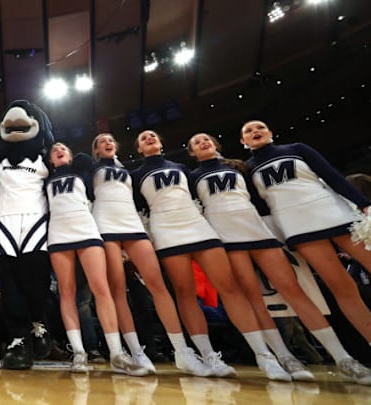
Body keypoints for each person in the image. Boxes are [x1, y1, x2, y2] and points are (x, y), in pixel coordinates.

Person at [130, 129, 290, 381]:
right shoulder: (136, 175)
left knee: (229, 288)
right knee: (185, 293)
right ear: (139, 149)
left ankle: (265, 356)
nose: (149, 138)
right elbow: (140, 209)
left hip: (198, 225)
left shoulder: (183, 169)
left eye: (153, 135)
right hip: (166, 231)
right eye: (143, 138)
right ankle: (208, 355)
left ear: (161, 142)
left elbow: (199, 196)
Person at [188, 133, 334, 380]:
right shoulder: (192, 177)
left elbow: (260, 200)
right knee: (253, 297)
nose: (203, 142)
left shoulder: (241, 167)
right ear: (192, 153)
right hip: (227, 238)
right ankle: (280, 356)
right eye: (196, 142)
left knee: (293, 290)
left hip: (259, 230)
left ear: (216, 144)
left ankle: (340, 357)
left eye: (206, 139)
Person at [240, 120, 371, 384]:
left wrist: (365, 205)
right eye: (248, 131)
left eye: (261, 128)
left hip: (335, 213)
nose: (256, 132)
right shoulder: (249, 169)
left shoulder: (298, 148)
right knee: (341, 287)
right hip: (298, 227)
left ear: (271, 132)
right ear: (244, 141)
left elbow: (331, 175)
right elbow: (262, 209)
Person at [90, 133, 211, 376]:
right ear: (95, 149)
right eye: (101, 141)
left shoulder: (131, 172)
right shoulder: (91, 169)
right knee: (118, 292)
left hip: (133, 224)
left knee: (157, 286)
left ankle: (182, 351)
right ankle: (136, 352)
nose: (107, 142)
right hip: (105, 225)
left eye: (111, 139)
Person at [45, 142, 145, 375]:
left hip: (86, 228)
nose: (59, 150)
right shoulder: (45, 181)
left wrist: (74, 158)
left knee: (101, 289)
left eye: (63, 148)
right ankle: (79, 353)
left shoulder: (82, 172)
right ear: (49, 159)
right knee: (67, 292)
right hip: (58, 233)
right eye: (54, 150)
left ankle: (116, 353)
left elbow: (88, 161)